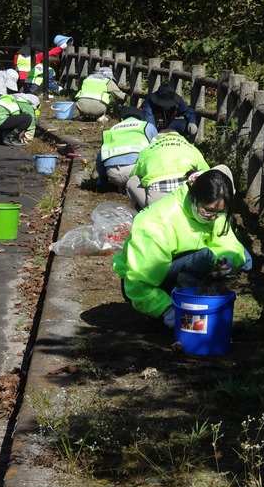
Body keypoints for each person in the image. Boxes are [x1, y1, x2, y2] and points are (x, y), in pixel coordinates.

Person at [112, 166, 252, 329]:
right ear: (192, 197)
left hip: (176, 268)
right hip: (141, 283)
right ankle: (172, 305)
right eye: (208, 211)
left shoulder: (212, 210)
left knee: (243, 255)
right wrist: (167, 311)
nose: (213, 217)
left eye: (219, 212)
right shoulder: (158, 224)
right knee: (204, 257)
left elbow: (228, 243)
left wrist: (227, 258)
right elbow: (138, 282)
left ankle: (193, 302)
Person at [126, 129, 209, 210]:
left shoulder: (147, 149)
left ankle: (145, 215)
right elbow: (207, 172)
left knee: (132, 181)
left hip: (158, 202)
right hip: (189, 196)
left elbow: (134, 174)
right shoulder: (191, 148)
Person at [95, 107, 159, 193]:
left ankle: (123, 185)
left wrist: (102, 181)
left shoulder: (112, 130)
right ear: (140, 118)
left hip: (113, 174)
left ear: (121, 119)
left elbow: (100, 159)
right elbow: (158, 149)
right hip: (135, 171)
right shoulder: (146, 126)